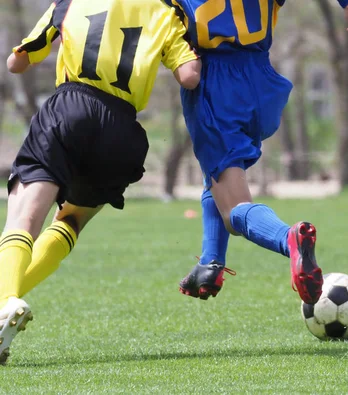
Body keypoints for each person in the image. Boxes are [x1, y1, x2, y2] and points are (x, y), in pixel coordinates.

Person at [0, 0, 201, 364]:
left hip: (71, 109)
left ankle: (4, 299)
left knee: (22, 219)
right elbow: (189, 75)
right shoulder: (169, 9)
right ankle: (5, 301)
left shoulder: (71, 2)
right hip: (121, 131)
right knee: (70, 221)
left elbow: (17, 62)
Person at [165, 0, 348, 305]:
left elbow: (188, 74)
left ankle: (290, 240)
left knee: (233, 209)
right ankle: (210, 263)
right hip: (260, 80)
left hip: (215, 85)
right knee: (220, 172)